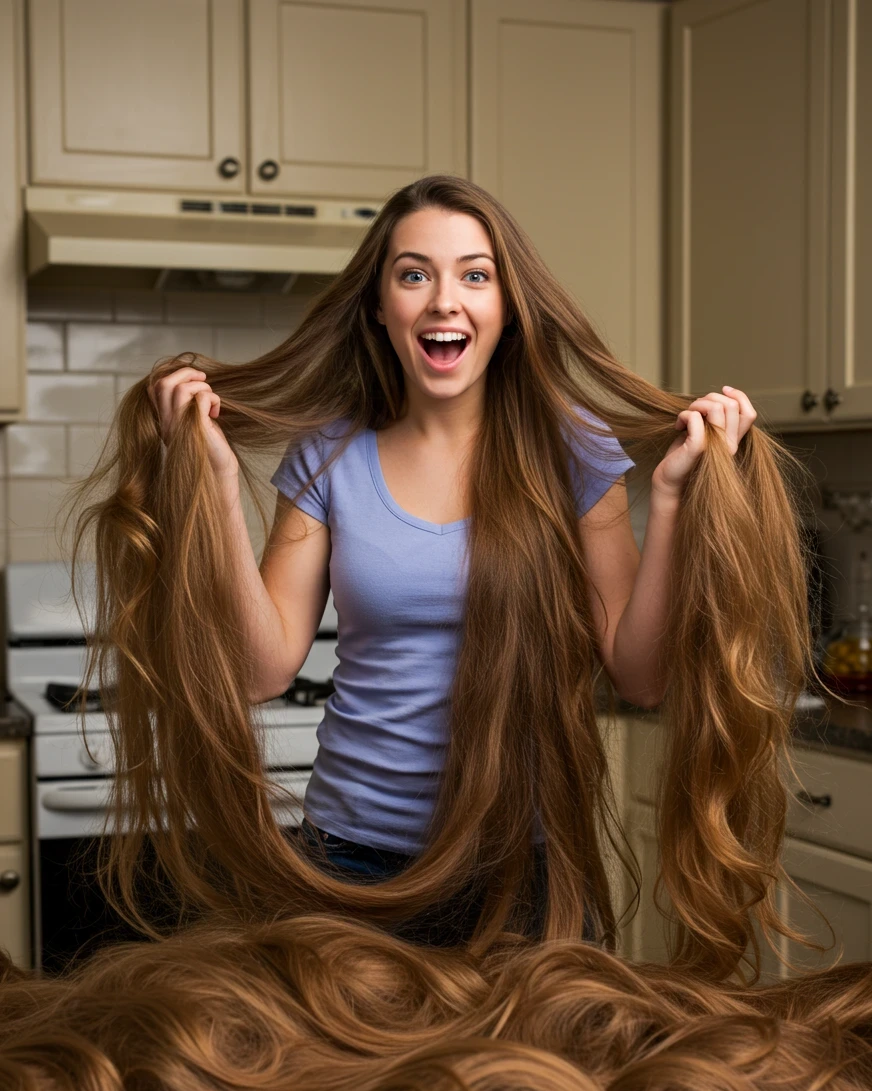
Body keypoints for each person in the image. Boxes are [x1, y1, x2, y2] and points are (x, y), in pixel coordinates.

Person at [73, 175, 815, 974]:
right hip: (349, 858)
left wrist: (667, 500)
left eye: (475, 274)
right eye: (414, 273)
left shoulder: (572, 450)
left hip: (523, 868)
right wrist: (218, 486)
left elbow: (638, 674)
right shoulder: (329, 454)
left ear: (508, 307)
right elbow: (261, 669)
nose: (443, 301)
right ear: (380, 307)